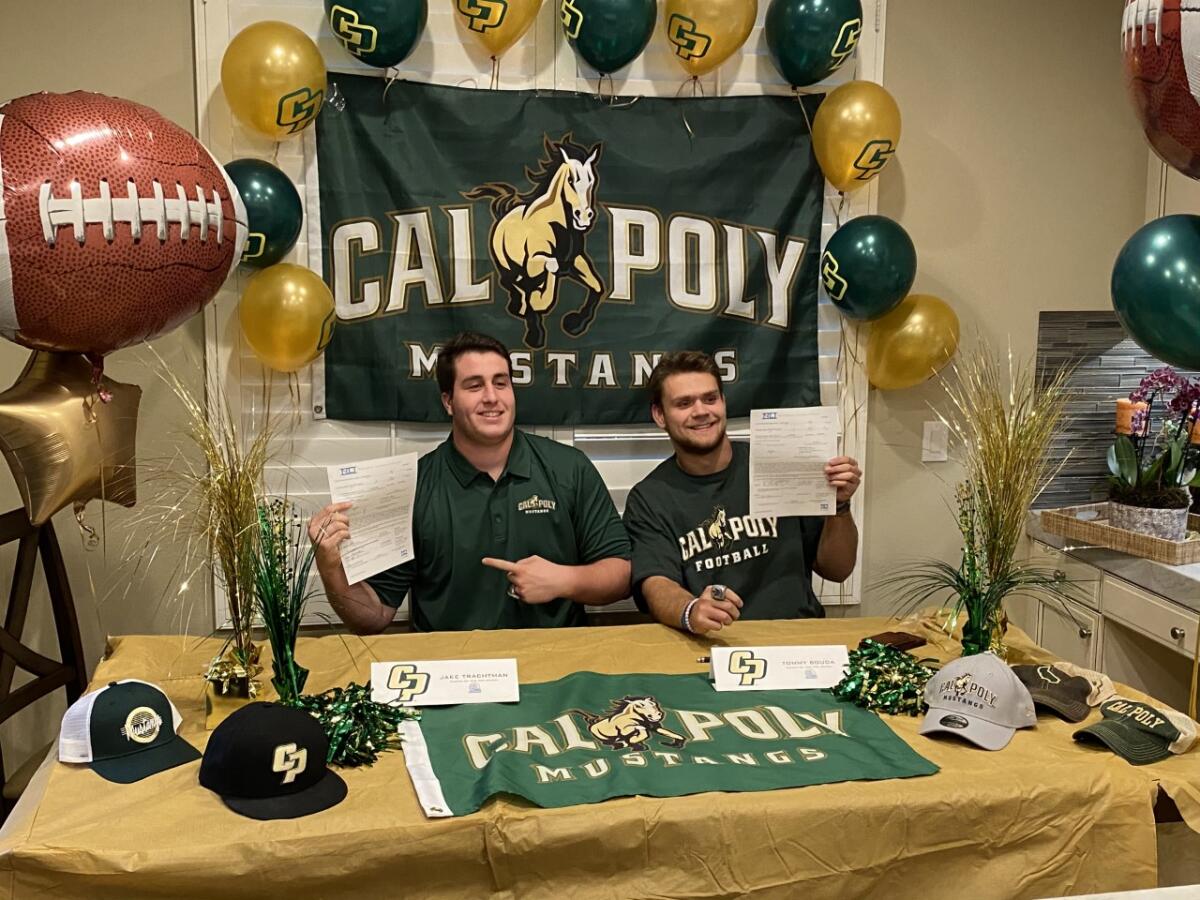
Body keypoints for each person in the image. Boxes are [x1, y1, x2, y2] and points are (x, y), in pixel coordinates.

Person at [308, 331, 631, 633]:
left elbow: (620, 574)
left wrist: (564, 580)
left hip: (557, 668)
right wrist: (331, 567)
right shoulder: (413, 487)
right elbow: (372, 616)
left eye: (501, 383)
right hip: (450, 674)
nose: (492, 397)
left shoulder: (569, 468)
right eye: (474, 386)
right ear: (448, 401)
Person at [623, 351, 861, 635]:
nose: (701, 411)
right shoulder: (651, 498)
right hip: (714, 645)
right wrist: (691, 610)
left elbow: (838, 570)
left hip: (798, 636)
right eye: (683, 403)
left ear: (723, 402)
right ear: (659, 415)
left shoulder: (780, 464)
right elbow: (656, 583)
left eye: (710, 398)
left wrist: (841, 505)